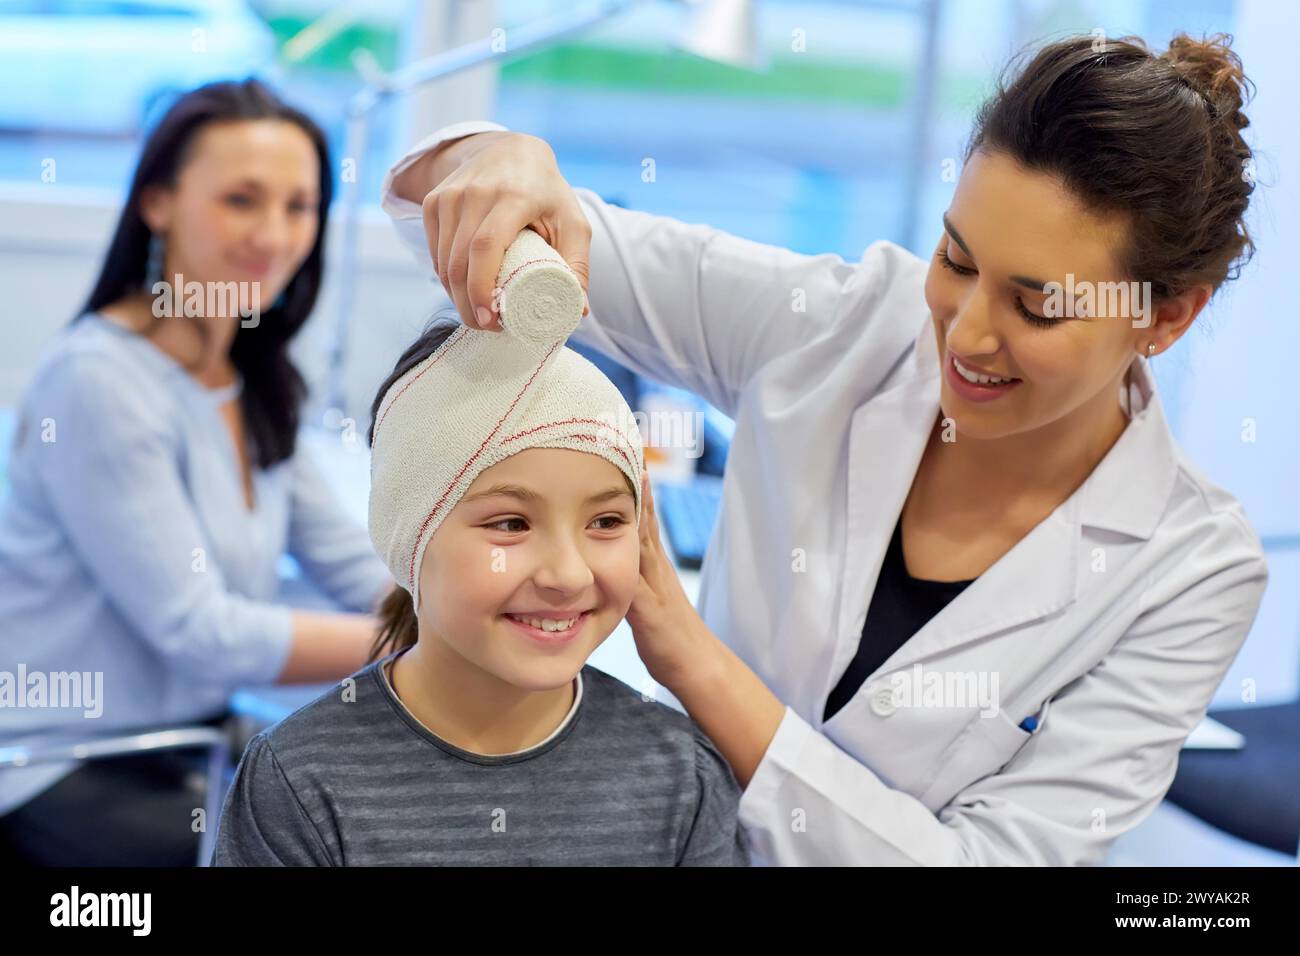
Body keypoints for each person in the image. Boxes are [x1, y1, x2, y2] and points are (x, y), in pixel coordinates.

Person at [378, 32, 1270, 865]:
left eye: (1036, 307)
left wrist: (689, 656)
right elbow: (477, 215)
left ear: (1165, 315)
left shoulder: (1191, 567)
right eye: (956, 261)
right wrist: (507, 161)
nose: (964, 333)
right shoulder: (844, 324)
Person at [0, 79, 394, 865]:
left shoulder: (246, 372)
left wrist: (466, 604)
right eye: (241, 200)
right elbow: (199, 632)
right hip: (67, 766)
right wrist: (425, 644)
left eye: (298, 206)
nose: (275, 235)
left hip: (189, 743)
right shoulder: (100, 382)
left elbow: (345, 558)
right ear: (158, 203)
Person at [212, 311, 750, 865]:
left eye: (606, 522)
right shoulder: (299, 783)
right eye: (511, 524)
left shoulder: (683, 780)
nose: (567, 575)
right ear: (409, 540)